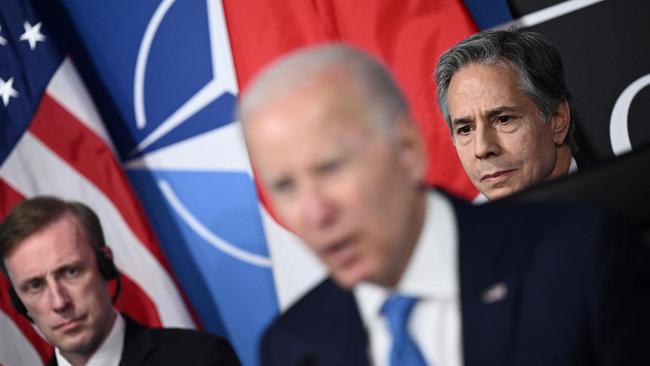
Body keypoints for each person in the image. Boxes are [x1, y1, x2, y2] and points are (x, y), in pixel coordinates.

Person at [239, 44, 649, 365]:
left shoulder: (576, 256)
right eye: (286, 187)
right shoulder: (294, 346)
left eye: (331, 169)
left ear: (407, 148)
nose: (315, 213)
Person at [0, 196, 240, 366]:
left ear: (105, 266)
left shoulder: (200, 359)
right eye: (35, 286)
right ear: (18, 302)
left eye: (70, 272)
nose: (59, 302)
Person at [435, 30, 584, 201]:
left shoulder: (618, 200)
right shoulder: (463, 226)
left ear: (558, 119)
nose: (482, 149)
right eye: (466, 129)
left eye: (503, 120)